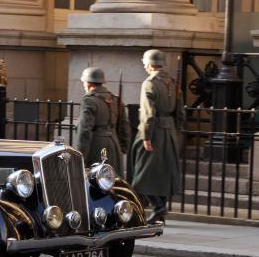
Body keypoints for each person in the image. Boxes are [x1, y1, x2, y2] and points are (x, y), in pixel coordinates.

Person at [130, 49, 183, 223]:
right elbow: (181, 113)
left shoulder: (150, 83)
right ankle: (159, 211)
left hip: (154, 132)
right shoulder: (173, 82)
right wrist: (176, 131)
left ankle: (159, 207)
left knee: (143, 174)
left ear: (150, 64)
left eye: (145, 63)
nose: (144, 66)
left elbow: (148, 113)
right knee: (162, 173)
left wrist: (146, 137)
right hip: (170, 132)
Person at [75, 67, 129, 176]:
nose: (84, 85)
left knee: (97, 182)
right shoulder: (115, 99)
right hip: (114, 144)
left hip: (97, 146)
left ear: (89, 84)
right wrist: (123, 146)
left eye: (84, 82)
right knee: (114, 181)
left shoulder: (89, 100)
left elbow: (84, 130)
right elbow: (124, 126)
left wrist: (81, 155)